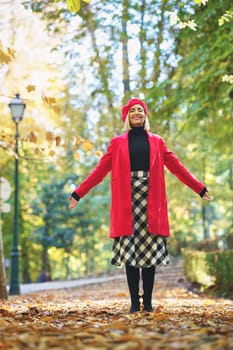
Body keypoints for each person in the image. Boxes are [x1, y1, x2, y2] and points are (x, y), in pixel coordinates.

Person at [68, 98, 210, 313]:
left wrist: (199, 188)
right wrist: (78, 193)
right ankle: (135, 302)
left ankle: (149, 302)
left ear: (145, 115)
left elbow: (177, 167)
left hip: (151, 202)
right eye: (133, 110)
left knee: (149, 254)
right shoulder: (117, 143)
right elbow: (99, 171)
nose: (137, 113)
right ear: (127, 116)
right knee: (130, 253)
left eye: (140, 110)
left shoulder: (157, 141)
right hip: (127, 203)